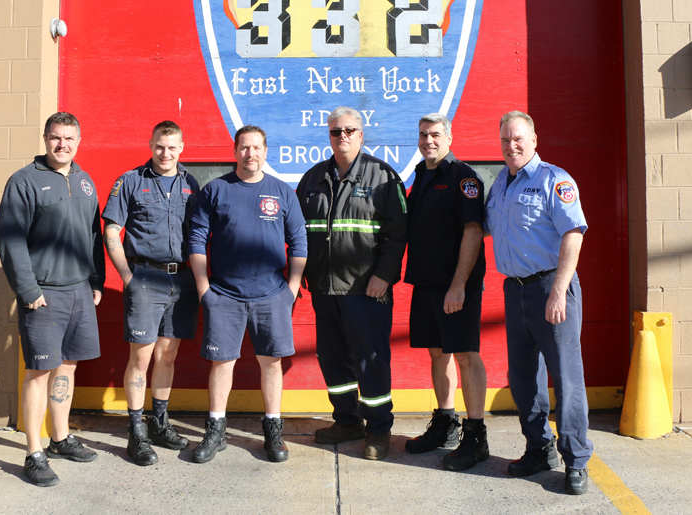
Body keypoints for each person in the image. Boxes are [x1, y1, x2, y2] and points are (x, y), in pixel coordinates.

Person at [484, 110, 593, 495]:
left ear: (533, 140)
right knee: (524, 377)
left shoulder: (555, 180)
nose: (511, 146)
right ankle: (538, 448)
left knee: (566, 377)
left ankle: (576, 460)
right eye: (505, 141)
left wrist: (559, 290)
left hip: (551, 286)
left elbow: (573, 234)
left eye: (517, 139)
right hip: (515, 290)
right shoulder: (500, 184)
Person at [0, 112, 105, 488]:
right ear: (45, 139)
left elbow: (94, 236)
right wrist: (29, 291)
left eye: (70, 138)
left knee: (68, 368)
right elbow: (10, 241)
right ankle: (34, 452)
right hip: (43, 295)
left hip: (78, 291)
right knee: (39, 372)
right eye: (56, 138)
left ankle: (60, 439)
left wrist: (96, 280)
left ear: (79, 140)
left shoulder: (85, 180)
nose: (63, 145)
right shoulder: (24, 181)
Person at [188, 125, 307, 464]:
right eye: (244, 148)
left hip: (272, 295)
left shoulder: (282, 192)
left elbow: (299, 241)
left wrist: (292, 289)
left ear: (265, 152)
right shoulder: (216, 190)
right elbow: (196, 241)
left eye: (256, 148)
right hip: (224, 294)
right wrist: (203, 289)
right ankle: (216, 430)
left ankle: (272, 429)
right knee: (222, 363)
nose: (250, 154)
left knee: (271, 363)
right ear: (235, 151)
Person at [296, 107, 407, 461]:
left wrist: (384, 277)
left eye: (349, 130)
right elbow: (297, 233)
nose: (341, 136)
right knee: (332, 358)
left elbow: (398, 234)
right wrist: (299, 277)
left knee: (371, 360)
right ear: (328, 136)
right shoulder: (312, 179)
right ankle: (346, 421)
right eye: (335, 131)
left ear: (361, 134)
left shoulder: (383, 177)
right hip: (325, 289)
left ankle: (378, 430)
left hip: (367, 291)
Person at [101, 120, 200, 466]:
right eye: (160, 146)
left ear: (181, 148)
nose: (165, 153)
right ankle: (136, 431)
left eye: (172, 147)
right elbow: (112, 230)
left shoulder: (191, 183)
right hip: (145, 279)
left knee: (168, 356)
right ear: (150, 144)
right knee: (140, 359)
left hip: (182, 281)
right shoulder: (130, 181)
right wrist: (127, 276)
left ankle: (159, 423)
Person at [403, 113, 489, 471]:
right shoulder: (421, 175)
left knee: (466, 356)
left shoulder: (463, 178)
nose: (428, 140)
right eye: (423, 134)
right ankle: (446, 423)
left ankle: (476, 435)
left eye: (435, 134)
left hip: (455, 287)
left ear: (449, 137)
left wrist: (457, 286)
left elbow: (473, 232)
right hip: (425, 284)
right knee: (438, 355)